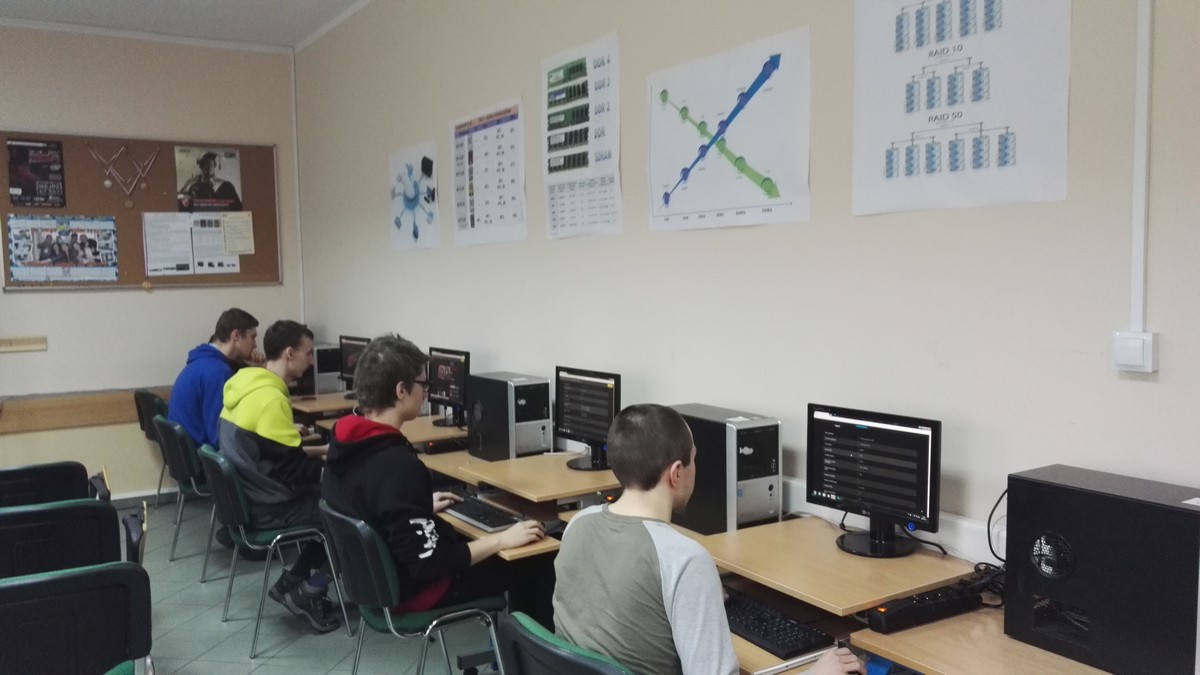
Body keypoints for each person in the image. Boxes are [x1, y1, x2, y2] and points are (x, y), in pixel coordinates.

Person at [553, 404, 864, 675]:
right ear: (676, 473)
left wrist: (697, 595)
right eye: (693, 460)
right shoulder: (683, 559)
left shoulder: (579, 523)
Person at [321, 334, 553, 624]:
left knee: (483, 537)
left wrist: (418, 508)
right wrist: (499, 540)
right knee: (539, 555)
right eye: (423, 384)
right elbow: (426, 565)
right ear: (401, 390)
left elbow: (368, 504)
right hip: (416, 590)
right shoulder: (396, 464)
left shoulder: (345, 440)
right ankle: (527, 648)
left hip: (376, 585)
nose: (426, 393)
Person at [218, 320, 338, 633]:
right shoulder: (271, 399)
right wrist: (342, 474)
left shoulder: (246, 385)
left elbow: (272, 453)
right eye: (308, 353)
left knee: (336, 498)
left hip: (252, 497)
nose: (311, 361)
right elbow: (294, 471)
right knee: (348, 513)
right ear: (289, 353)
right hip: (270, 506)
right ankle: (309, 591)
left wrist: (320, 450)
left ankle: (292, 582)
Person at [168, 308, 259, 451]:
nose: (255, 345)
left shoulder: (203, 361)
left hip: (187, 451)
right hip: (202, 454)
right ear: (236, 335)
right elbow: (219, 436)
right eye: (252, 337)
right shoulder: (218, 372)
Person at [178, 151, 242, 211]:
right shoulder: (194, 187)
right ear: (200, 166)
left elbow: (238, 208)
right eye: (205, 164)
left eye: (210, 163)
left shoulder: (227, 186)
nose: (208, 166)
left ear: (215, 164)